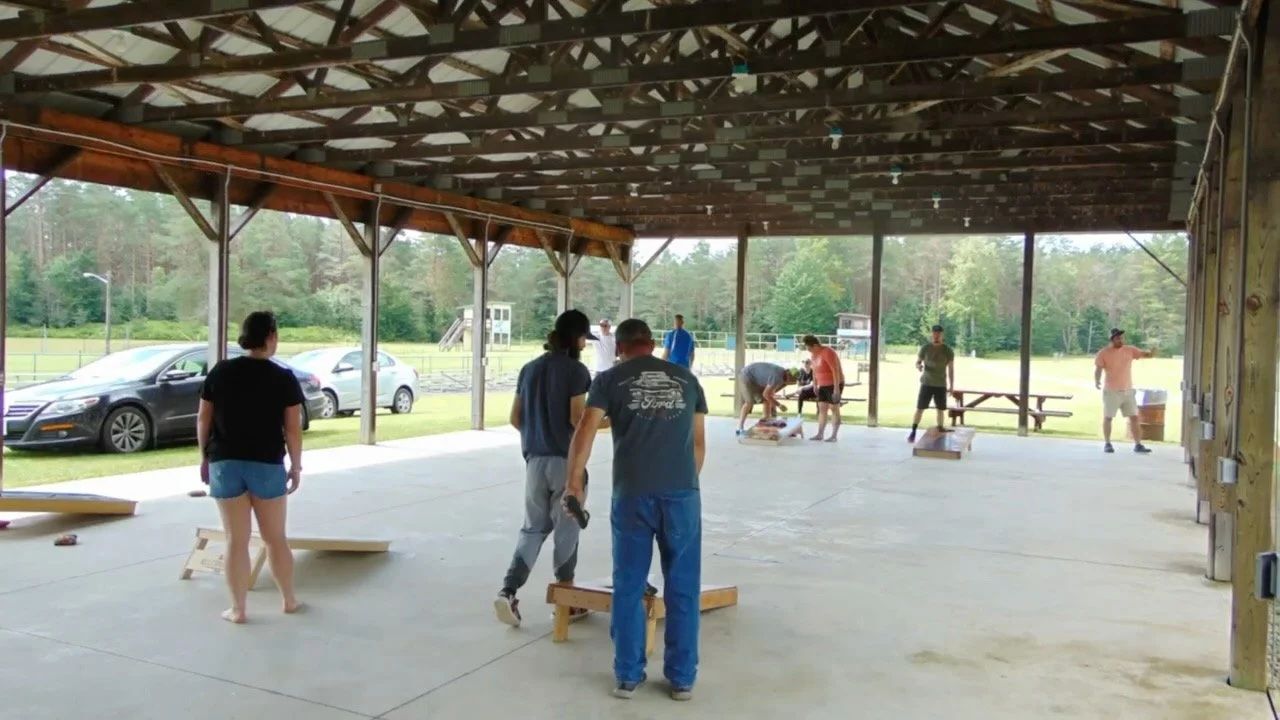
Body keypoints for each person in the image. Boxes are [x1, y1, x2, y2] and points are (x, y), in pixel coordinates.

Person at [564, 319, 707, 701]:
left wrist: (574, 483)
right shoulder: (686, 380)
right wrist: (684, 482)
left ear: (621, 347)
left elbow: (585, 430)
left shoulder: (610, 380)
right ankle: (681, 680)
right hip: (681, 494)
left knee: (627, 585)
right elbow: (698, 444)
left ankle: (627, 676)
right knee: (683, 587)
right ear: (652, 343)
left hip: (632, 494)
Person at [197, 311, 305, 624]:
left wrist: (204, 456)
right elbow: (293, 430)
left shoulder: (221, 372)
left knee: (236, 540)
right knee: (275, 539)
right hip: (267, 464)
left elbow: (203, 418)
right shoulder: (283, 377)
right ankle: (288, 599)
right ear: (270, 336)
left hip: (225, 462)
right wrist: (296, 466)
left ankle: (238, 609)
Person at [494, 309, 597, 628]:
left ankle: (508, 590)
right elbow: (576, 419)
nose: (586, 343)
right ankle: (566, 601)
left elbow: (515, 418)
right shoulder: (576, 371)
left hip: (534, 461)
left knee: (532, 528)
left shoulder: (529, 369)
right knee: (567, 530)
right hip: (567, 463)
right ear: (577, 338)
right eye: (584, 337)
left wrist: (538, 433)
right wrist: (606, 422)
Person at [1094, 328, 1155, 454]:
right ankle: (1107, 443)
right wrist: (1097, 381)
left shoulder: (1130, 350)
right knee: (1108, 417)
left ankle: (1138, 444)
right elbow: (1098, 369)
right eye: (1117, 338)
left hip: (1128, 391)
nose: (1120, 340)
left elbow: (1145, 354)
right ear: (1112, 339)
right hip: (1111, 391)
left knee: (1134, 417)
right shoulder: (1103, 353)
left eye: (1121, 338)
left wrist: (1152, 352)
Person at [907, 324, 955, 443]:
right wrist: (919, 366)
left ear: (942, 335)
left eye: (939, 334)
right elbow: (918, 362)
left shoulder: (947, 350)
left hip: (940, 384)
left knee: (940, 408)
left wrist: (951, 385)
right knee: (920, 408)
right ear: (931, 335)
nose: (936, 336)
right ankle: (913, 430)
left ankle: (940, 427)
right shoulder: (925, 348)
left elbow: (951, 369)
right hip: (927, 383)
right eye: (934, 334)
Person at [802, 335, 845, 442]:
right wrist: (815, 385)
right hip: (822, 385)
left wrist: (836, 389)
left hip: (834, 383)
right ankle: (820, 434)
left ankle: (834, 435)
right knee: (822, 408)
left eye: (810, 348)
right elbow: (815, 371)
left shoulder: (827, 352)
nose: (809, 350)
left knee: (834, 408)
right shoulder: (813, 355)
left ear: (815, 345)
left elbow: (835, 371)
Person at [735, 361, 796, 434]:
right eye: (791, 380)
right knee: (749, 402)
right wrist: (779, 405)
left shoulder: (782, 376)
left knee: (766, 401)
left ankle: (765, 421)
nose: (790, 382)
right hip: (746, 376)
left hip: (756, 379)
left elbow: (770, 394)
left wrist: (774, 405)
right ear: (788, 374)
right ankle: (740, 428)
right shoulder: (777, 376)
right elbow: (766, 394)